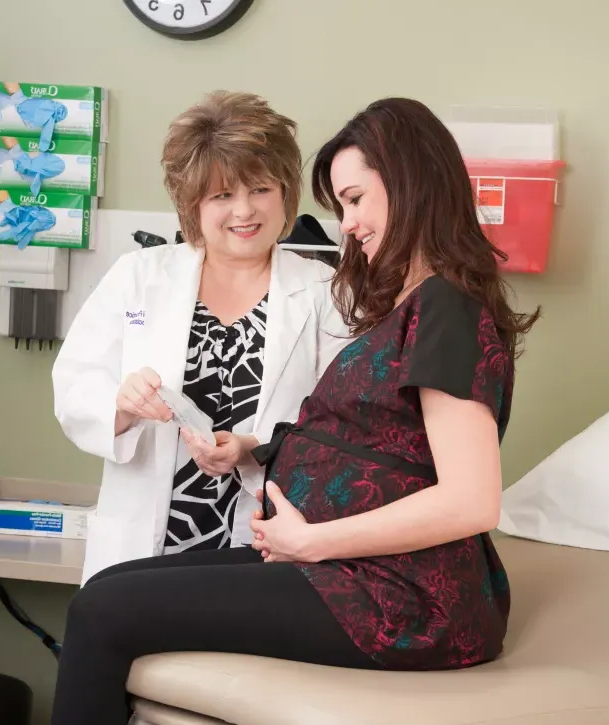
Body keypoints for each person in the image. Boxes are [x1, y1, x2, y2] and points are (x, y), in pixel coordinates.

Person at [49, 97, 541, 725]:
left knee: (101, 610)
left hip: (377, 581)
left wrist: (312, 541)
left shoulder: (411, 302)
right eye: (342, 206)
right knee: (104, 592)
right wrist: (249, 449)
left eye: (356, 200)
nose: (347, 225)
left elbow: (470, 500)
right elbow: (361, 436)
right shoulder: (411, 304)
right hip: (328, 557)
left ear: (410, 182)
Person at [51, 90, 350, 583]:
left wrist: (252, 446)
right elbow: (75, 386)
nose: (244, 211)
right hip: (144, 545)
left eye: (260, 189)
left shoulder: (326, 291)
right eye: (221, 195)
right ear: (192, 203)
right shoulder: (139, 276)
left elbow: (342, 423)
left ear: (284, 193)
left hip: (263, 543)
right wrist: (123, 405)